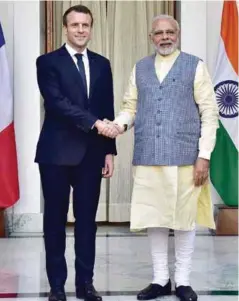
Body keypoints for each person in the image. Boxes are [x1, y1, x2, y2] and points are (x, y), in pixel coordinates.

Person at [101, 15, 219, 301]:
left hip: (185, 158)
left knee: (184, 219)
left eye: (170, 32)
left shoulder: (195, 65)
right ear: (151, 36)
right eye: (159, 33)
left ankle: (183, 281)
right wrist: (119, 125)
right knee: (154, 218)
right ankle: (159, 280)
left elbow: (209, 113)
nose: (165, 37)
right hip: (148, 157)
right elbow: (130, 106)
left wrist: (204, 156)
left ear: (177, 34)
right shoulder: (140, 67)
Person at [35, 5, 118, 301]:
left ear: (91, 28)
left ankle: (86, 284)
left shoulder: (102, 63)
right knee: (54, 222)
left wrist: (110, 151)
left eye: (86, 25)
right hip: (56, 154)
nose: (81, 30)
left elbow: (106, 108)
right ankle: (57, 286)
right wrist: (94, 123)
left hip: (92, 155)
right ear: (65, 28)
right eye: (75, 25)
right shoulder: (47, 62)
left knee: (87, 223)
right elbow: (55, 103)